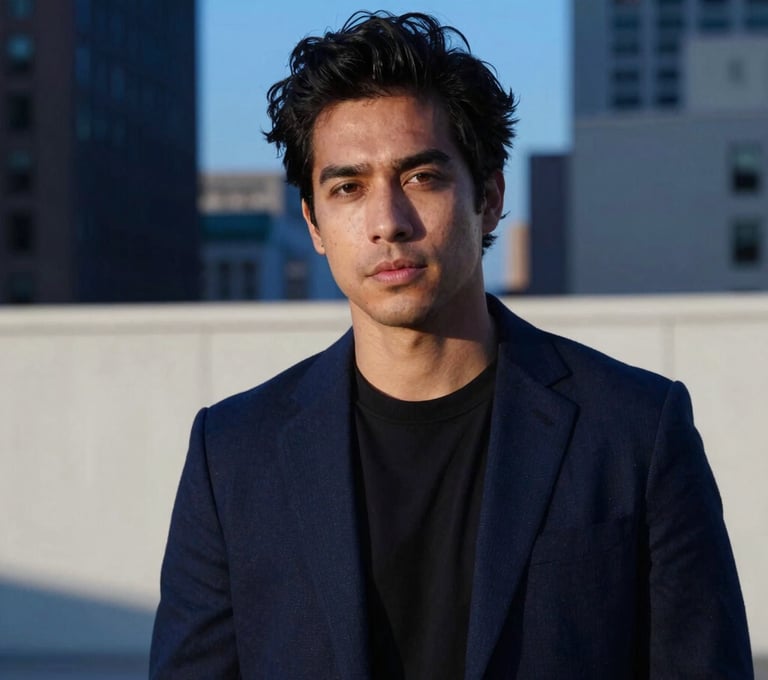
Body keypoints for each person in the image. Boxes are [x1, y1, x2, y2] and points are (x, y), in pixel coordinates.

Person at [150, 11, 753, 679]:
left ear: (489, 198)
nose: (387, 222)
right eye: (348, 188)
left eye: (421, 177)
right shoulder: (234, 453)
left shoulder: (635, 430)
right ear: (314, 224)